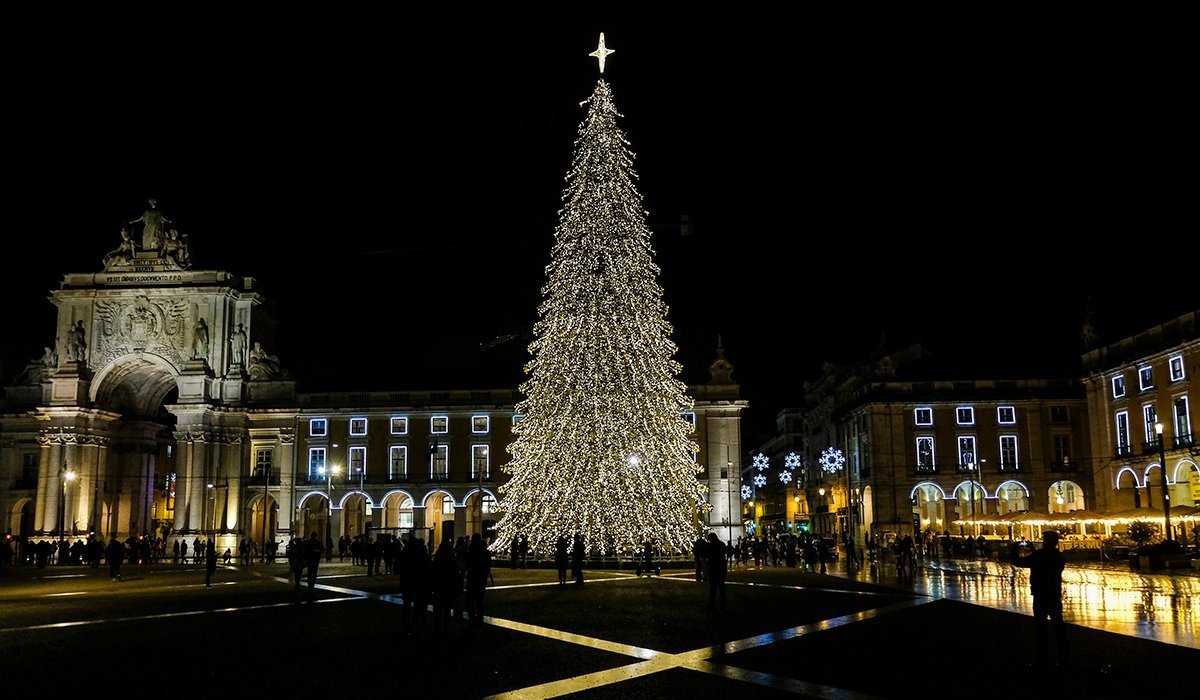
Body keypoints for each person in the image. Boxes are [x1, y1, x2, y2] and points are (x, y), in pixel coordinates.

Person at [1010, 529, 1068, 669]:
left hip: (1040, 594)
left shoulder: (1039, 556)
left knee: (1041, 628)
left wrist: (1014, 549)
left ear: (1045, 541)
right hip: (1054, 594)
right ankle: (1063, 658)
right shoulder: (1059, 557)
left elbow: (1018, 561)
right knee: (1058, 627)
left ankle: (1042, 659)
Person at [706, 532, 727, 610]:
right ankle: (722, 603)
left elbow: (707, 554)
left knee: (714, 587)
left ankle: (713, 603)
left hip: (715, 567)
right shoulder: (721, 544)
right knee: (720, 587)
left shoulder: (711, 546)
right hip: (720, 567)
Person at [303, 531, 324, 598]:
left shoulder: (308, 542)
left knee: (310, 571)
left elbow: (305, 550)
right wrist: (317, 551)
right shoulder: (318, 543)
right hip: (315, 559)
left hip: (310, 559)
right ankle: (312, 584)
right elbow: (322, 550)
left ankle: (310, 584)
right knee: (314, 572)